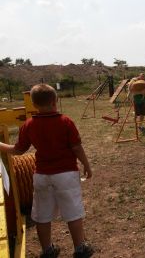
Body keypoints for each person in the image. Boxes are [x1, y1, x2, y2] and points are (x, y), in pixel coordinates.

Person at [0, 84, 94, 258]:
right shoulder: (66, 122)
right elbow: (77, 147)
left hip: (41, 175)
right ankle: (80, 248)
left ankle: (47, 250)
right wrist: (87, 165)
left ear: (34, 104)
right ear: (55, 101)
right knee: (72, 212)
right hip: (66, 175)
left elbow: (18, 150)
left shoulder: (29, 124)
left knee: (42, 214)